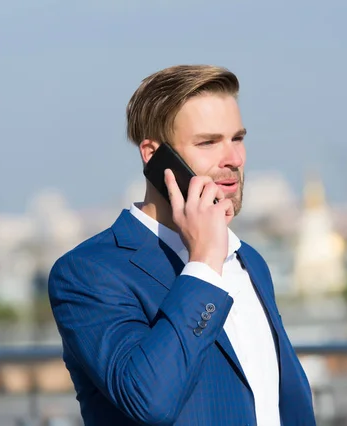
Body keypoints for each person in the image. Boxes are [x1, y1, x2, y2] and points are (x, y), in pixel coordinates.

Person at [48, 65, 316, 426]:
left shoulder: (248, 260)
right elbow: (149, 399)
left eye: (237, 139)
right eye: (208, 142)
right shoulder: (89, 273)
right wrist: (204, 263)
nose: (234, 159)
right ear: (153, 156)